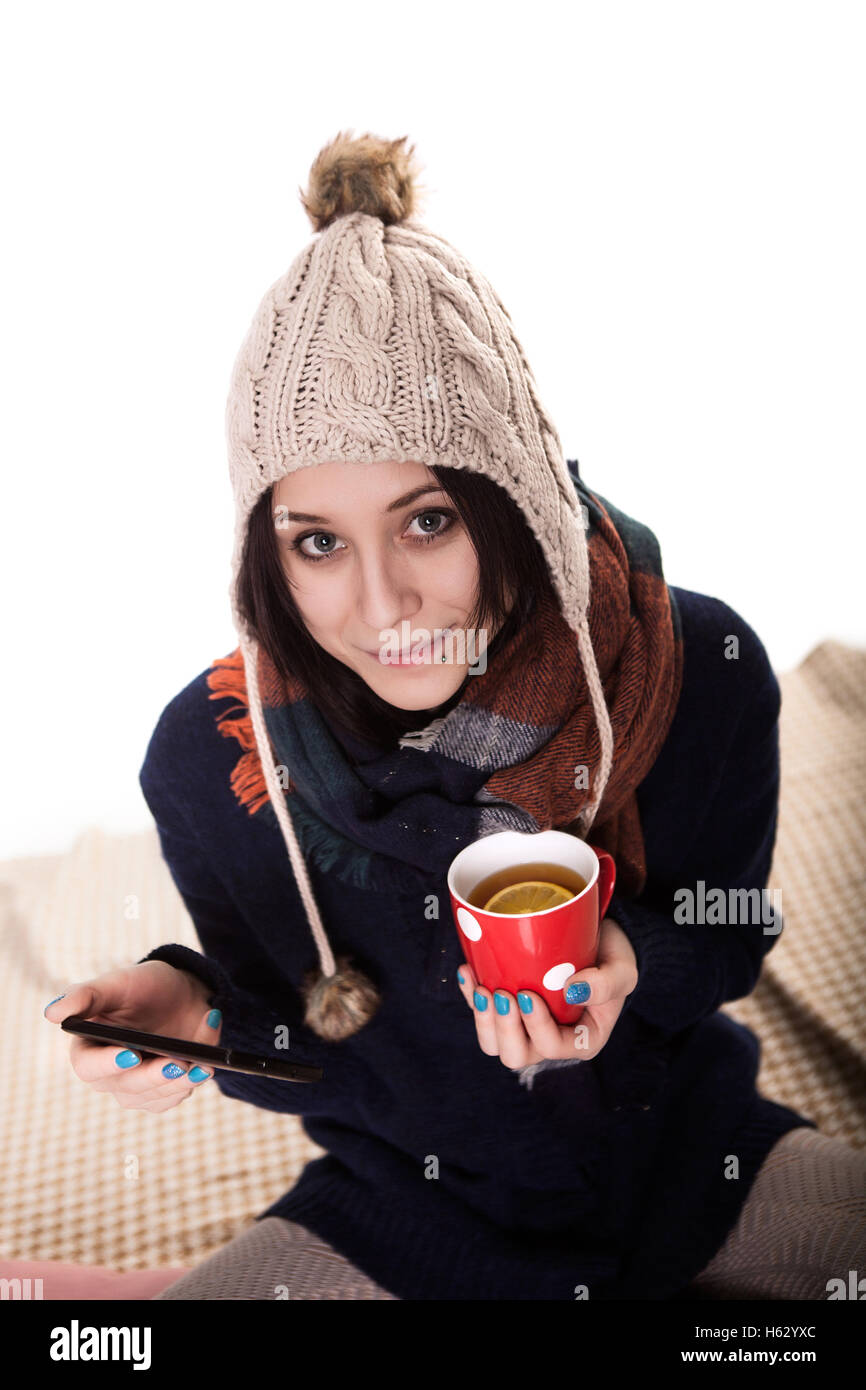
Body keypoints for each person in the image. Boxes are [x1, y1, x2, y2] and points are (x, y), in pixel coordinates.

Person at [44, 131, 866, 1301]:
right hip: (403, 1222)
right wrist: (196, 1009)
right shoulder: (212, 758)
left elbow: (731, 931)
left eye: (427, 519)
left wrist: (631, 960)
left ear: (516, 504)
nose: (381, 606)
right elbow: (298, 1044)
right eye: (317, 543)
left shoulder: (696, 665)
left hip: (696, 1169)